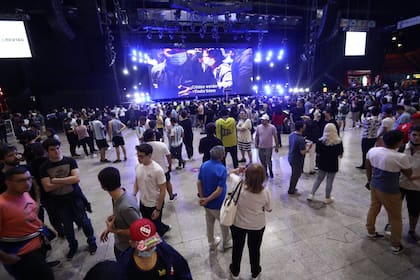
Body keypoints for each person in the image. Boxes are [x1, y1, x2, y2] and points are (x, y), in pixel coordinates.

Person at [40, 138, 97, 259]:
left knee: (85, 222)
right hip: (59, 201)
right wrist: (67, 180)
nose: (56, 151)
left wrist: (55, 180)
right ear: (46, 151)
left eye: (57, 148)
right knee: (67, 227)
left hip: (75, 198)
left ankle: (92, 242)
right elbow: (47, 187)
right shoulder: (44, 167)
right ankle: (73, 246)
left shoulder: (70, 161)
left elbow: (76, 179)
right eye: (52, 149)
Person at [0, 166, 54, 280]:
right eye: (21, 180)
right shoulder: (2, 205)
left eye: (29, 179)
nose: (27, 183)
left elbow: (30, 215)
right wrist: (6, 257)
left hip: (37, 248)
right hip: (21, 255)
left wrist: (43, 226)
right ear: (8, 182)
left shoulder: (24, 193)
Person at [365, 130, 412, 254]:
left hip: (375, 185)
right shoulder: (400, 157)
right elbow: (409, 174)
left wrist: (369, 180)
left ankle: (371, 232)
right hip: (390, 190)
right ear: (398, 143)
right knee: (396, 217)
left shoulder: (373, 151)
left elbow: (368, 167)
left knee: (373, 209)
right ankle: (395, 245)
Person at [229, 163, 272, 280]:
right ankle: (255, 273)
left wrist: (239, 170)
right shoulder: (265, 192)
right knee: (254, 249)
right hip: (257, 226)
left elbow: (230, 173)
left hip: (237, 223)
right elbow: (269, 209)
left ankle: (235, 272)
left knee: (237, 248)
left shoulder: (238, 184)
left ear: (246, 175)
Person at [119, 218, 192, 280]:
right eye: (144, 246)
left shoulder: (167, 251)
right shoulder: (126, 263)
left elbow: (183, 272)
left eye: (152, 243)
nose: (149, 248)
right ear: (132, 243)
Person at [98, 167, 141, 261]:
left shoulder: (125, 207)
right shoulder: (119, 195)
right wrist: (109, 227)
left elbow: (138, 230)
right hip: (121, 244)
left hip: (127, 249)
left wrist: (114, 230)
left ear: (103, 187)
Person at [197, 145, 232, 251]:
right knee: (224, 223)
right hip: (218, 203)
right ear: (222, 156)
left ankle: (211, 242)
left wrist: (203, 198)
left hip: (206, 204)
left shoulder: (204, 165)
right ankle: (226, 242)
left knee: (209, 223)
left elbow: (199, 182)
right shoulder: (221, 168)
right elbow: (219, 191)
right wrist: (207, 199)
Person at [133, 143, 171, 237]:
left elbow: (162, 190)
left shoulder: (157, 170)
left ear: (149, 155)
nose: (138, 158)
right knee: (147, 225)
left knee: (155, 228)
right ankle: (163, 228)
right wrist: (133, 195)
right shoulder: (138, 166)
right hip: (143, 202)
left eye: (141, 156)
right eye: (137, 156)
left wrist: (158, 209)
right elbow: (137, 180)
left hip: (154, 204)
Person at [307, 123, 344, 204]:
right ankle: (327, 198)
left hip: (322, 163)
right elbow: (340, 155)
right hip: (333, 164)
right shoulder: (339, 141)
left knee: (319, 179)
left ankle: (311, 194)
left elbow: (318, 153)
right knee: (329, 181)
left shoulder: (320, 141)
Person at [399, 125, 420, 244]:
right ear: (409, 135)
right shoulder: (402, 148)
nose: (417, 138)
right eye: (414, 135)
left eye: (419, 135)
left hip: (416, 187)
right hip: (400, 184)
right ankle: (392, 224)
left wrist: (412, 177)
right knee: (395, 207)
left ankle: (412, 230)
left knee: (414, 211)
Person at [143, 129, 177, 201]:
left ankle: (157, 200)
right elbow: (168, 156)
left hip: (149, 170)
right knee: (167, 182)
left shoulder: (143, 147)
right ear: (153, 136)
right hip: (163, 169)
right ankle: (171, 196)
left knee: (154, 186)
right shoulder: (161, 145)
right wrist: (170, 166)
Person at [287, 121, 312, 195]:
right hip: (297, 159)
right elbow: (302, 152)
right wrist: (309, 148)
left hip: (291, 157)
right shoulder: (300, 139)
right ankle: (291, 190)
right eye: (304, 126)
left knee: (294, 174)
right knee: (296, 175)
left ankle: (292, 187)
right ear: (301, 128)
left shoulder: (291, 135)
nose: (305, 126)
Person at [254, 114, 279, 178]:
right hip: (261, 146)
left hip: (268, 147)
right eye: (262, 120)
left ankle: (270, 170)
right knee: (262, 161)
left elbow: (275, 137)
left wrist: (276, 146)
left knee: (268, 160)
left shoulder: (272, 127)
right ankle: (265, 172)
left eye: (264, 120)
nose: (262, 121)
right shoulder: (259, 127)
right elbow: (257, 136)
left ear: (267, 121)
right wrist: (256, 143)